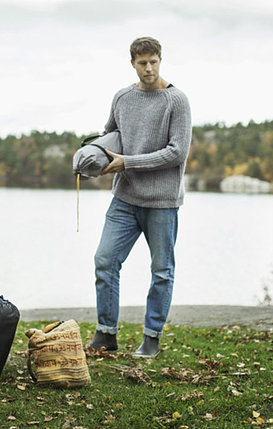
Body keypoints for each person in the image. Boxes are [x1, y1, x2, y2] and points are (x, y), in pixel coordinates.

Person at [87, 37, 192, 358]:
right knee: (105, 261)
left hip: (162, 203)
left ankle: (151, 337)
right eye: (142, 62)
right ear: (132, 63)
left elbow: (176, 153)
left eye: (154, 62)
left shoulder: (177, 101)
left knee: (161, 271)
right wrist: (91, 157)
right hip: (124, 199)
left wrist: (127, 162)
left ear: (161, 60)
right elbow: (110, 136)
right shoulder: (122, 97)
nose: (149, 68)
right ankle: (106, 333)